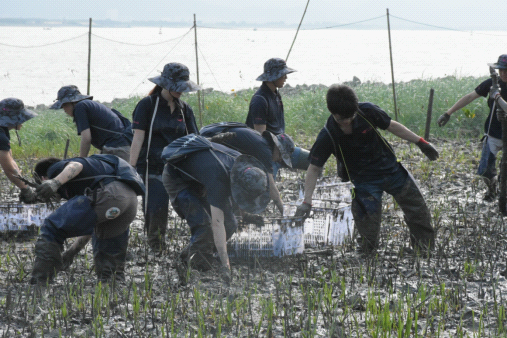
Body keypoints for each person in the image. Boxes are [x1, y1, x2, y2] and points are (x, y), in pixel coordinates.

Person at [295, 84, 438, 256]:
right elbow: (314, 168)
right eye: (342, 119)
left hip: (391, 170)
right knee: (368, 233)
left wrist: (420, 142)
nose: (347, 122)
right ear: (332, 113)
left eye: (351, 117)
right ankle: (367, 254)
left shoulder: (368, 112)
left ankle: (425, 251)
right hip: (362, 182)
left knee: (418, 210)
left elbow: (392, 126)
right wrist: (307, 201)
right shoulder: (328, 135)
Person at [161, 134, 270, 282]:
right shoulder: (219, 179)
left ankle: (194, 252)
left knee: (231, 224)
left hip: (201, 178)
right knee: (204, 225)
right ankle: (196, 267)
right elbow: (217, 223)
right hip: (178, 178)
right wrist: (226, 266)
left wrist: (245, 216)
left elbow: (240, 199)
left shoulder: (240, 165)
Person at [29, 154, 144, 285]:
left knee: (52, 226)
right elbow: (89, 225)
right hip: (129, 201)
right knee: (107, 247)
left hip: (109, 192)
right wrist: (71, 253)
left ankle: (40, 281)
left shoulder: (55, 169)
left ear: (43, 178)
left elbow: (76, 166)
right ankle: (112, 287)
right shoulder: (90, 175)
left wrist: (55, 182)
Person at [129, 62, 200, 252]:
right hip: (151, 165)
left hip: (176, 167)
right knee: (156, 208)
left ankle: (199, 241)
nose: (180, 92)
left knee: (191, 202)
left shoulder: (184, 110)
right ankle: (156, 247)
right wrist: (130, 168)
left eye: (182, 88)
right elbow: (138, 138)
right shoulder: (147, 105)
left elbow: (194, 139)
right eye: (177, 87)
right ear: (165, 84)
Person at [437, 54, 507, 201]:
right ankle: (492, 189)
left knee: (505, 173)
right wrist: (448, 113)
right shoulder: (492, 83)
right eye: (501, 70)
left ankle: (503, 197)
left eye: (506, 70)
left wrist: (498, 98)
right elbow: (470, 97)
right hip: (493, 133)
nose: (503, 74)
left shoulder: (496, 91)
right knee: (485, 171)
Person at [200, 122, 294, 215]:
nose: (280, 160)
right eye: (282, 156)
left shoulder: (262, 142)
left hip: (210, 141)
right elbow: (271, 187)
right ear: (278, 147)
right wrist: (283, 212)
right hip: (208, 144)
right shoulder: (265, 151)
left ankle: (239, 214)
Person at [245, 57, 310, 174]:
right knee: (269, 190)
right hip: (267, 154)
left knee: (313, 161)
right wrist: (274, 151)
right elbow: (259, 137)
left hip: (281, 148)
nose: (286, 77)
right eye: (282, 74)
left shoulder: (275, 94)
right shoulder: (260, 100)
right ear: (272, 77)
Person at [51, 85, 132, 161]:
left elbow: (86, 138)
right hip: (122, 145)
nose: (64, 109)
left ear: (72, 102)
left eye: (64, 105)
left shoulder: (80, 107)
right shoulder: (88, 105)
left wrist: (81, 161)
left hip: (116, 149)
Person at [0, 98, 38, 203]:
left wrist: (24, 183)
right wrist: (25, 189)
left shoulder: (3, 130)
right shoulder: (1, 136)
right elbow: (9, 169)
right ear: (13, 118)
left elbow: (11, 160)